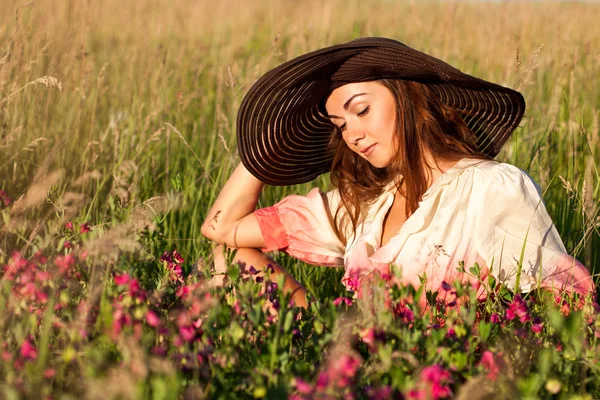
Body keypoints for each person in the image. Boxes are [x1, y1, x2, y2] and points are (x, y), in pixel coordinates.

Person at [201, 37, 594, 309]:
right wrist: (267, 149)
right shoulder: (368, 203)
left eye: (362, 110)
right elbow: (221, 231)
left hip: (451, 377)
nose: (352, 135)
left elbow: (559, 304)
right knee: (228, 255)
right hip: (362, 372)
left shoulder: (491, 187)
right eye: (339, 124)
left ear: (405, 97)